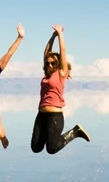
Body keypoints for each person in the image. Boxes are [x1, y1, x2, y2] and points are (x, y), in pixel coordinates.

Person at [31, 24, 90, 154]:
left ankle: (75, 132)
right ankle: (50, 136)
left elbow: (62, 50)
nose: (50, 64)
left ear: (58, 64)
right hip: (41, 115)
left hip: (55, 116)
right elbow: (46, 52)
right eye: (48, 63)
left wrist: (60, 34)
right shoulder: (46, 74)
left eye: (53, 62)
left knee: (51, 149)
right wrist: (53, 36)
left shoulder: (61, 73)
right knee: (35, 148)